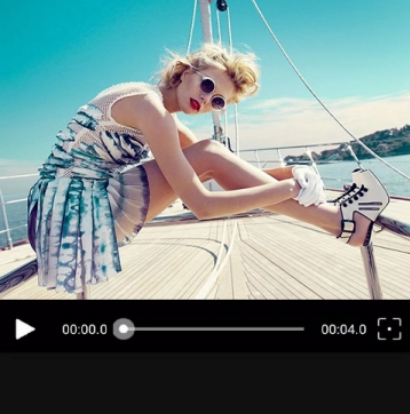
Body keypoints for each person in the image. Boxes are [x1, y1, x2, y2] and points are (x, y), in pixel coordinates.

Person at [27, 43, 389, 295]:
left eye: (217, 101)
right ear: (185, 73)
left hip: (60, 209)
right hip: (70, 216)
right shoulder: (151, 109)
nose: (206, 99)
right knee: (209, 153)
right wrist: (289, 188)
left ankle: (342, 222)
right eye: (207, 84)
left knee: (209, 153)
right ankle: (342, 223)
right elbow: (202, 204)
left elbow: (221, 168)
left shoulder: (155, 106)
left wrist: (286, 172)